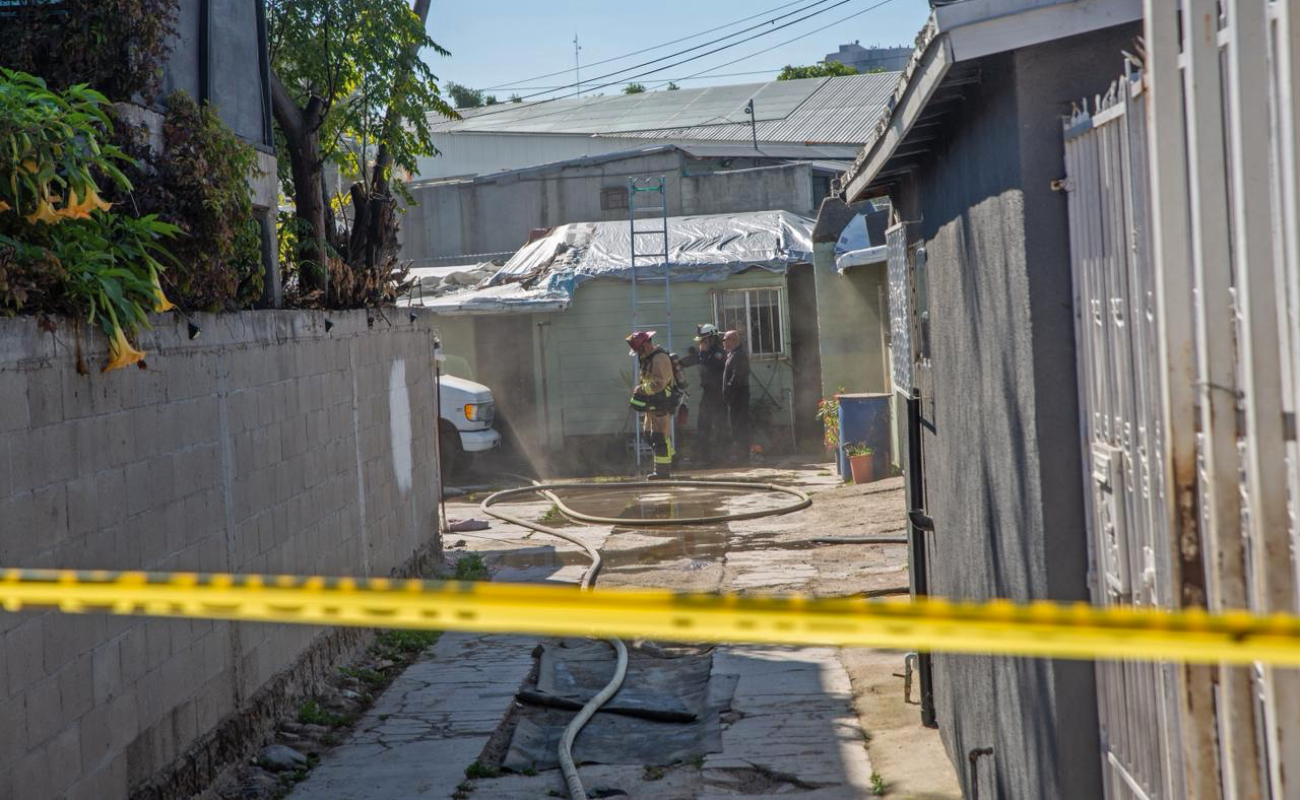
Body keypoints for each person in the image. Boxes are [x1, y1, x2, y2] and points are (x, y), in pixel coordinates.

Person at [626, 330, 677, 478]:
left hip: (661, 404)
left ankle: (662, 473)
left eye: (639, 350)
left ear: (646, 346)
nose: (639, 355)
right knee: (650, 435)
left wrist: (641, 389)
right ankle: (666, 457)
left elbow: (659, 383)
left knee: (659, 437)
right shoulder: (649, 358)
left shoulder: (659, 358)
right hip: (653, 404)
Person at [680, 323, 726, 465]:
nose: (701, 343)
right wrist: (678, 363)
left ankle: (722, 456)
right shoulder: (705, 352)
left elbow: (709, 364)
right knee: (703, 425)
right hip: (708, 394)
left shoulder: (718, 353)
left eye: (703, 340)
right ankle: (704, 457)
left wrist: (702, 354)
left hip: (719, 395)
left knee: (720, 426)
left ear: (711, 339)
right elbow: (695, 359)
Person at [722, 329, 750, 463]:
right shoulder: (733, 354)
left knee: (739, 426)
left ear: (732, 340)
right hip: (736, 397)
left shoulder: (738, 355)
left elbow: (737, 376)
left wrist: (729, 389)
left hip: (739, 397)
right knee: (736, 426)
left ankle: (742, 456)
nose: (723, 342)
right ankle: (741, 455)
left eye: (725, 339)